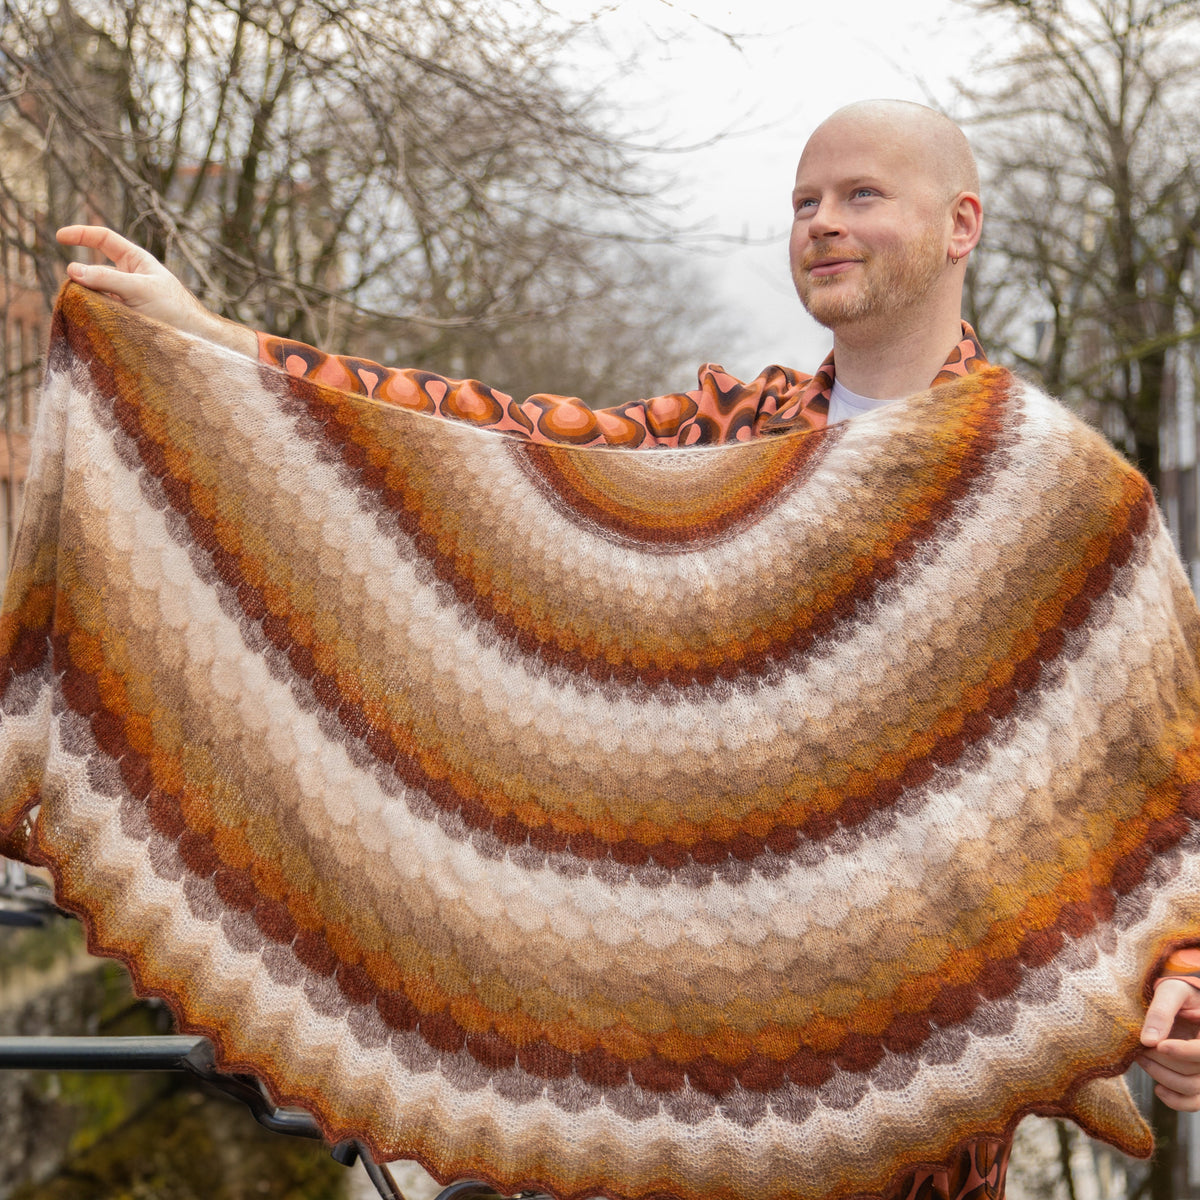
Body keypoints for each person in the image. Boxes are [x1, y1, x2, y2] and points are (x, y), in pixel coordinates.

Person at [54, 98, 1200, 1197]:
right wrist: (209, 341)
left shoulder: (1055, 489)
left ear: (962, 223)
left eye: (862, 194)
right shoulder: (725, 438)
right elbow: (487, 434)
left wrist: (1184, 985)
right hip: (678, 1072)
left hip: (922, 1098)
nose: (824, 223)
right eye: (805, 202)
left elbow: (1161, 774)